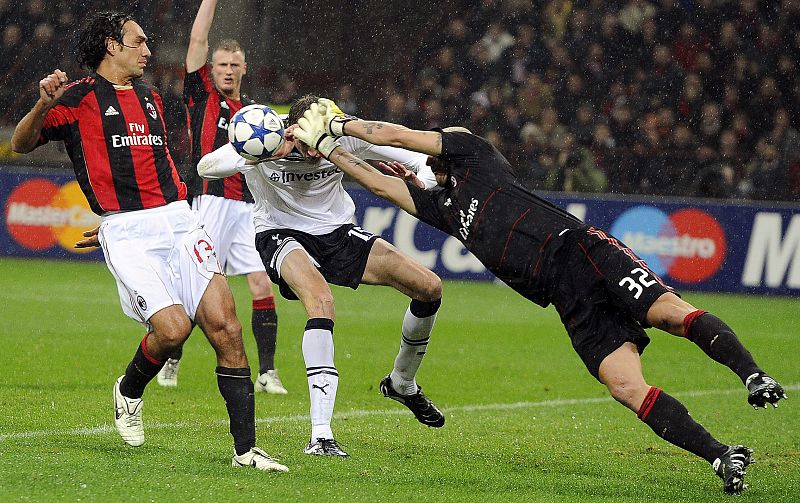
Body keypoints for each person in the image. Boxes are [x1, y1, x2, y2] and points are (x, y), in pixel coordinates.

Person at [292, 99, 788, 493]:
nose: (420, 163)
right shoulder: (442, 208)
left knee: (671, 315)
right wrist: (332, 155)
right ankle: (721, 454)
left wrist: (338, 127)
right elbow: (380, 187)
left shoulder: (472, 152)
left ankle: (753, 375)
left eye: (426, 158)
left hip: (583, 253)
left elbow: (393, 136)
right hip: (565, 298)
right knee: (624, 387)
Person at [10, 11, 287, 473]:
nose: (148, 50)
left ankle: (246, 451)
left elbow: (151, 166)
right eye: (138, 42)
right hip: (129, 234)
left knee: (228, 328)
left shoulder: (152, 97)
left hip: (180, 220)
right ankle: (130, 391)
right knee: (173, 331)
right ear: (111, 47)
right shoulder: (75, 100)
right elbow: (20, 144)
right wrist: (42, 104)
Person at [197, 95, 445, 458]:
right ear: (295, 129)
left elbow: (420, 157)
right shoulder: (267, 135)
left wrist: (420, 182)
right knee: (321, 301)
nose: (318, 152)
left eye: (325, 139)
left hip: (338, 233)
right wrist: (259, 152)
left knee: (429, 288)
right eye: (311, 141)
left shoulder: (345, 133)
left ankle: (402, 383)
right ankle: (321, 434)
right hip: (280, 232)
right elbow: (207, 167)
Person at [153, 0, 286, 394]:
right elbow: (197, 38)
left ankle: (267, 373)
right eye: (222, 64)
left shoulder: (256, 116)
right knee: (196, 290)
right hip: (207, 204)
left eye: (235, 64)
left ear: (245, 69)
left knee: (261, 284)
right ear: (212, 69)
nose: (228, 70)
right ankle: (171, 358)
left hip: (248, 210)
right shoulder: (201, 96)